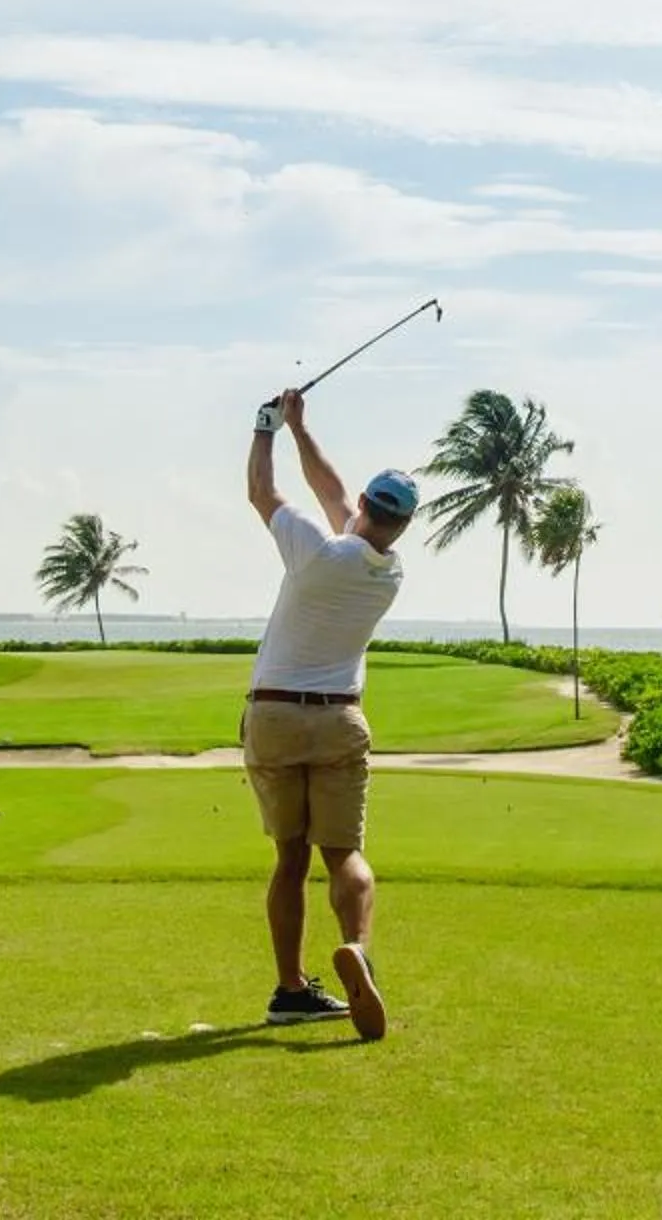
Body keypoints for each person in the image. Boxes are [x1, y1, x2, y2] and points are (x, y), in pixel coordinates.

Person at [243, 385, 416, 1041]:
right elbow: (335, 495)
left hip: (274, 717)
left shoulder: (316, 550)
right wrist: (301, 428)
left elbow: (264, 493)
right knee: (344, 854)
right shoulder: (388, 571)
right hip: (339, 719)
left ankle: (290, 990)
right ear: (400, 524)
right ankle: (358, 951)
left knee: (289, 859)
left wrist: (266, 427)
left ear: (365, 509)